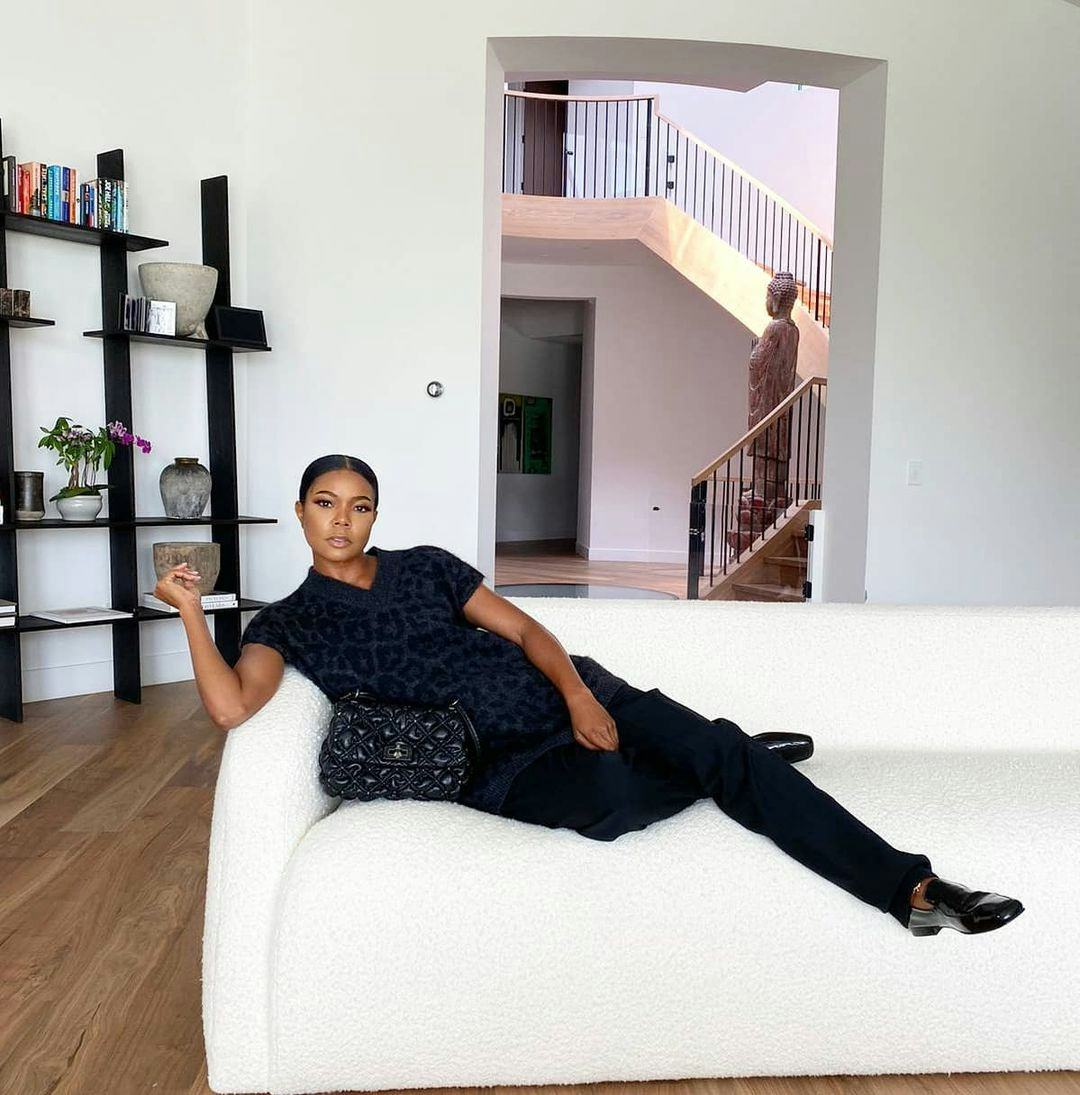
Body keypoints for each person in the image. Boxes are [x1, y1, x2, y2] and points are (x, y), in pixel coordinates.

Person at [158, 453, 1025, 938]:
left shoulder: (425, 567)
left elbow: (530, 631)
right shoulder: (291, 621)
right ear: (300, 512)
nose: (343, 520)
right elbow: (232, 707)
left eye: (359, 506)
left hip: (577, 693)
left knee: (712, 754)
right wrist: (193, 614)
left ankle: (914, 890)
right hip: (500, 764)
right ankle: (730, 754)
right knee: (618, 802)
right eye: (326, 503)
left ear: (376, 516)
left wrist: (576, 694)